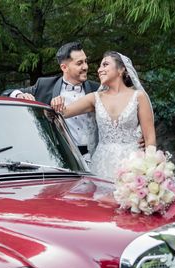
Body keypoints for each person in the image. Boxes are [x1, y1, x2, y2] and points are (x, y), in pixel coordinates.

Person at [51, 51, 155, 180]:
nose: (100, 70)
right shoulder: (95, 98)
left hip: (133, 164)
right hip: (102, 165)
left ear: (122, 69)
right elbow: (63, 112)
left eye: (105, 65)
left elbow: (150, 138)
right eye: (100, 66)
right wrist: (56, 102)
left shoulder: (138, 97)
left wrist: (151, 171)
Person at [3, 42, 100, 155]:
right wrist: (20, 95)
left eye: (85, 61)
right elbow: (6, 93)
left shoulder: (97, 89)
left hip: (93, 156)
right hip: (60, 157)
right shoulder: (44, 85)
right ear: (64, 67)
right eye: (79, 63)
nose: (86, 67)